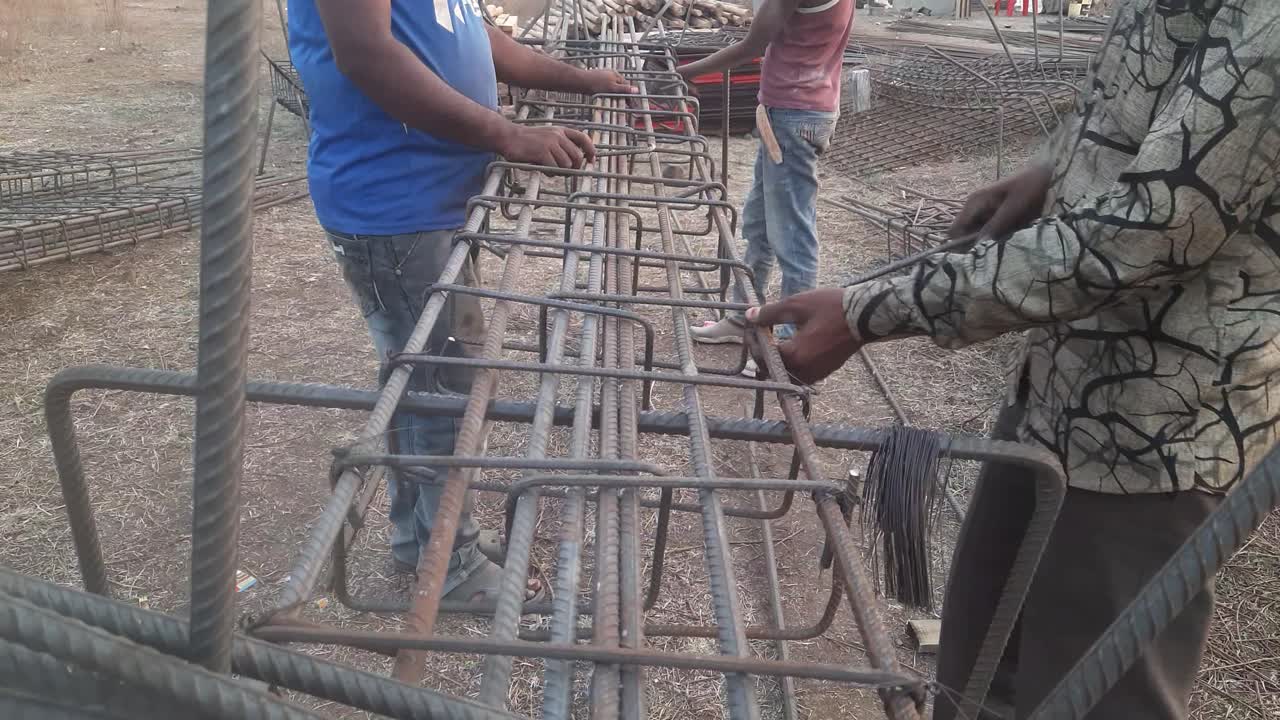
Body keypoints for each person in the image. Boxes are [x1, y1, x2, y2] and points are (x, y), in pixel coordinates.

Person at [746, 2, 1280, 718]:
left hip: (1153, 442)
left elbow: (1144, 239)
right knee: (975, 676)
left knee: (1095, 699)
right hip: (1055, 390)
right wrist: (1046, 171)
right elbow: (1130, 98)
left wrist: (868, 312)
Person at [288, 0, 633, 603]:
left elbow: (480, 37)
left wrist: (578, 77)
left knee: (425, 379)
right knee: (441, 390)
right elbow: (367, 56)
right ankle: (450, 566)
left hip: (428, 203)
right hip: (395, 207)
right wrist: (508, 133)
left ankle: (423, 541)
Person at [674, 0, 854, 372]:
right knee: (760, 225)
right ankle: (745, 317)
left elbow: (753, 45)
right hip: (790, 111)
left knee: (792, 236)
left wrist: (684, 71)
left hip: (794, 115)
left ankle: (791, 344)